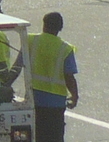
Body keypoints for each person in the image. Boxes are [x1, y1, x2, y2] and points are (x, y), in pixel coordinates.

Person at [28, 11, 79, 141]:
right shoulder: (65, 48)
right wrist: (74, 96)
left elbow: (17, 67)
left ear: (44, 25)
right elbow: (69, 77)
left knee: (36, 136)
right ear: (60, 28)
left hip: (34, 99)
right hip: (55, 104)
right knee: (54, 137)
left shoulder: (31, 40)